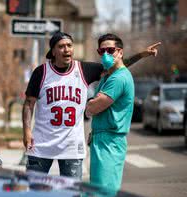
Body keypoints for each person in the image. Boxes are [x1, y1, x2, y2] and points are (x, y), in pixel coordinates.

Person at [22, 31, 160, 179]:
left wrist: (141, 54)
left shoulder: (83, 69)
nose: (67, 49)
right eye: (61, 46)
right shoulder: (41, 72)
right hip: (42, 144)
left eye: (69, 45)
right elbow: (29, 104)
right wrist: (27, 131)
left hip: (72, 146)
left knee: (72, 193)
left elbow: (117, 65)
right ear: (53, 51)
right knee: (32, 190)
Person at [85, 33, 157, 191]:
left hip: (109, 142)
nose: (105, 55)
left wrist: (88, 104)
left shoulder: (118, 78)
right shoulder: (108, 75)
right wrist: (141, 54)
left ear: (120, 52)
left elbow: (93, 108)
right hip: (102, 139)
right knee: (97, 191)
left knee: (103, 192)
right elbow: (124, 62)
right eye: (101, 51)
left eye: (110, 50)